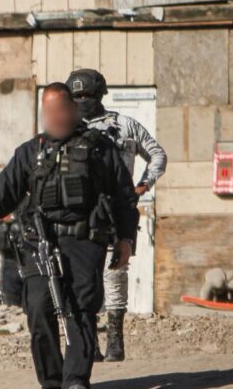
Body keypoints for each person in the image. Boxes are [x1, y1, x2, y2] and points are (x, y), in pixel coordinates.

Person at [0, 80, 139, 389]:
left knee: (81, 307)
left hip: (84, 241)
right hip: (40, 243)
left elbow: (123, 195)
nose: (55, 116)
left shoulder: (99, 148)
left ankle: (76, 381)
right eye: (48, 111)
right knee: (38, 310)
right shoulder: (30, 152)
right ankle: (50, 388)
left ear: (73, 110)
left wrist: (125, 239)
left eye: (60, 109)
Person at [68, 69, 167, 362]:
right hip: (80, 212)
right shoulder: (67, 128)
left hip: (117, 209)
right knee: (84, 278)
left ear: (100, 95)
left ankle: (115, 340)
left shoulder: (124, 125)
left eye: (87, 95)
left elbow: (157, 153)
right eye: (77, 96)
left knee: (115, 273)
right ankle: (89, 342)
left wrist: (143, 185)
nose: (82, 101)